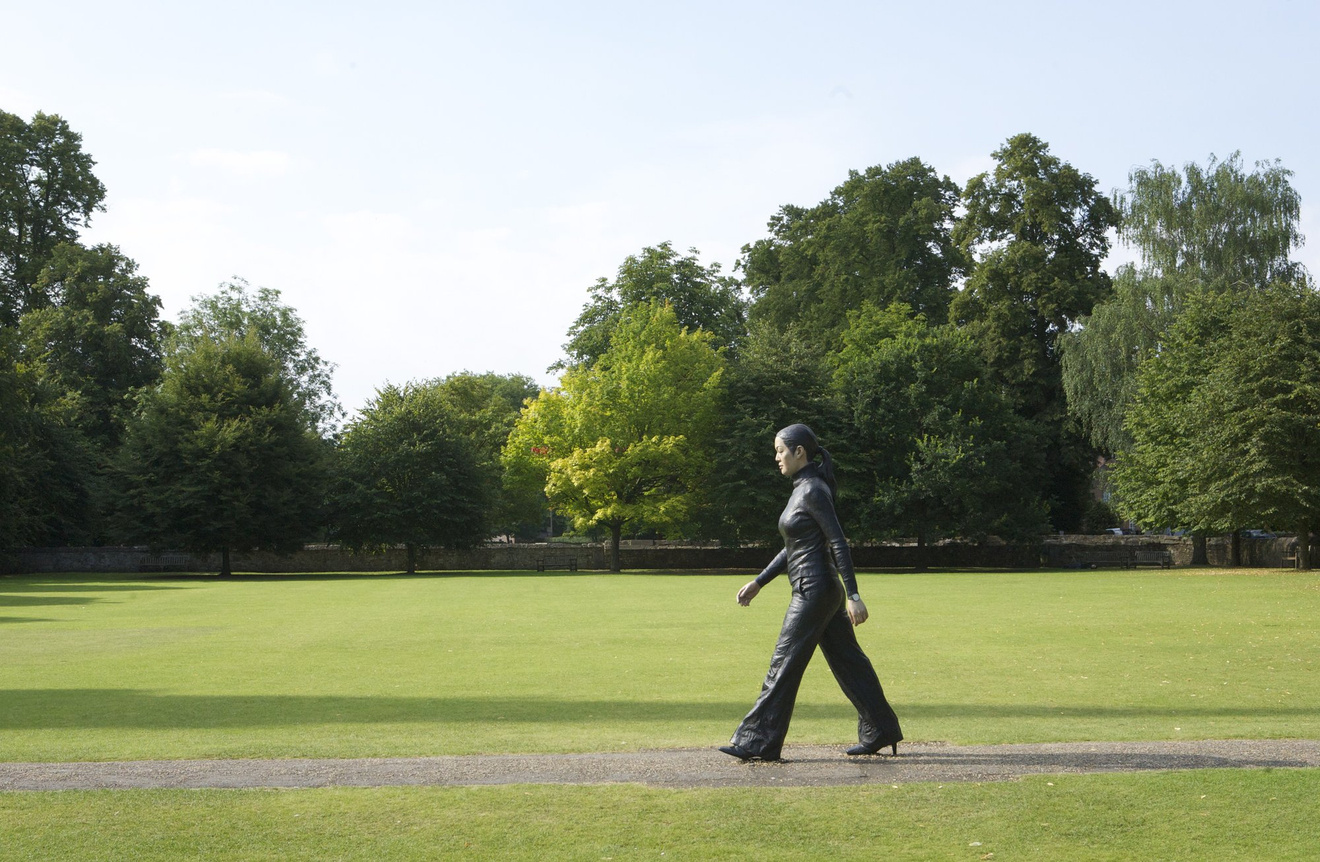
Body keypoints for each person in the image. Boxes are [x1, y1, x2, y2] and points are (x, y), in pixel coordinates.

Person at [719, 423, 903, 762]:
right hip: (818, 589)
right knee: (850, 663)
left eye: (780, 451)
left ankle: (757, 740)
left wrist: (855, 595)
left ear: (799, 452)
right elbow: (792, 547)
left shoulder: (813, 490)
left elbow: (838, 542)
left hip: (814, 590)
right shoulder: (801, 489)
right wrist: (760, 581)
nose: (776, 457)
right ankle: (881, 729)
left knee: (783, 664)